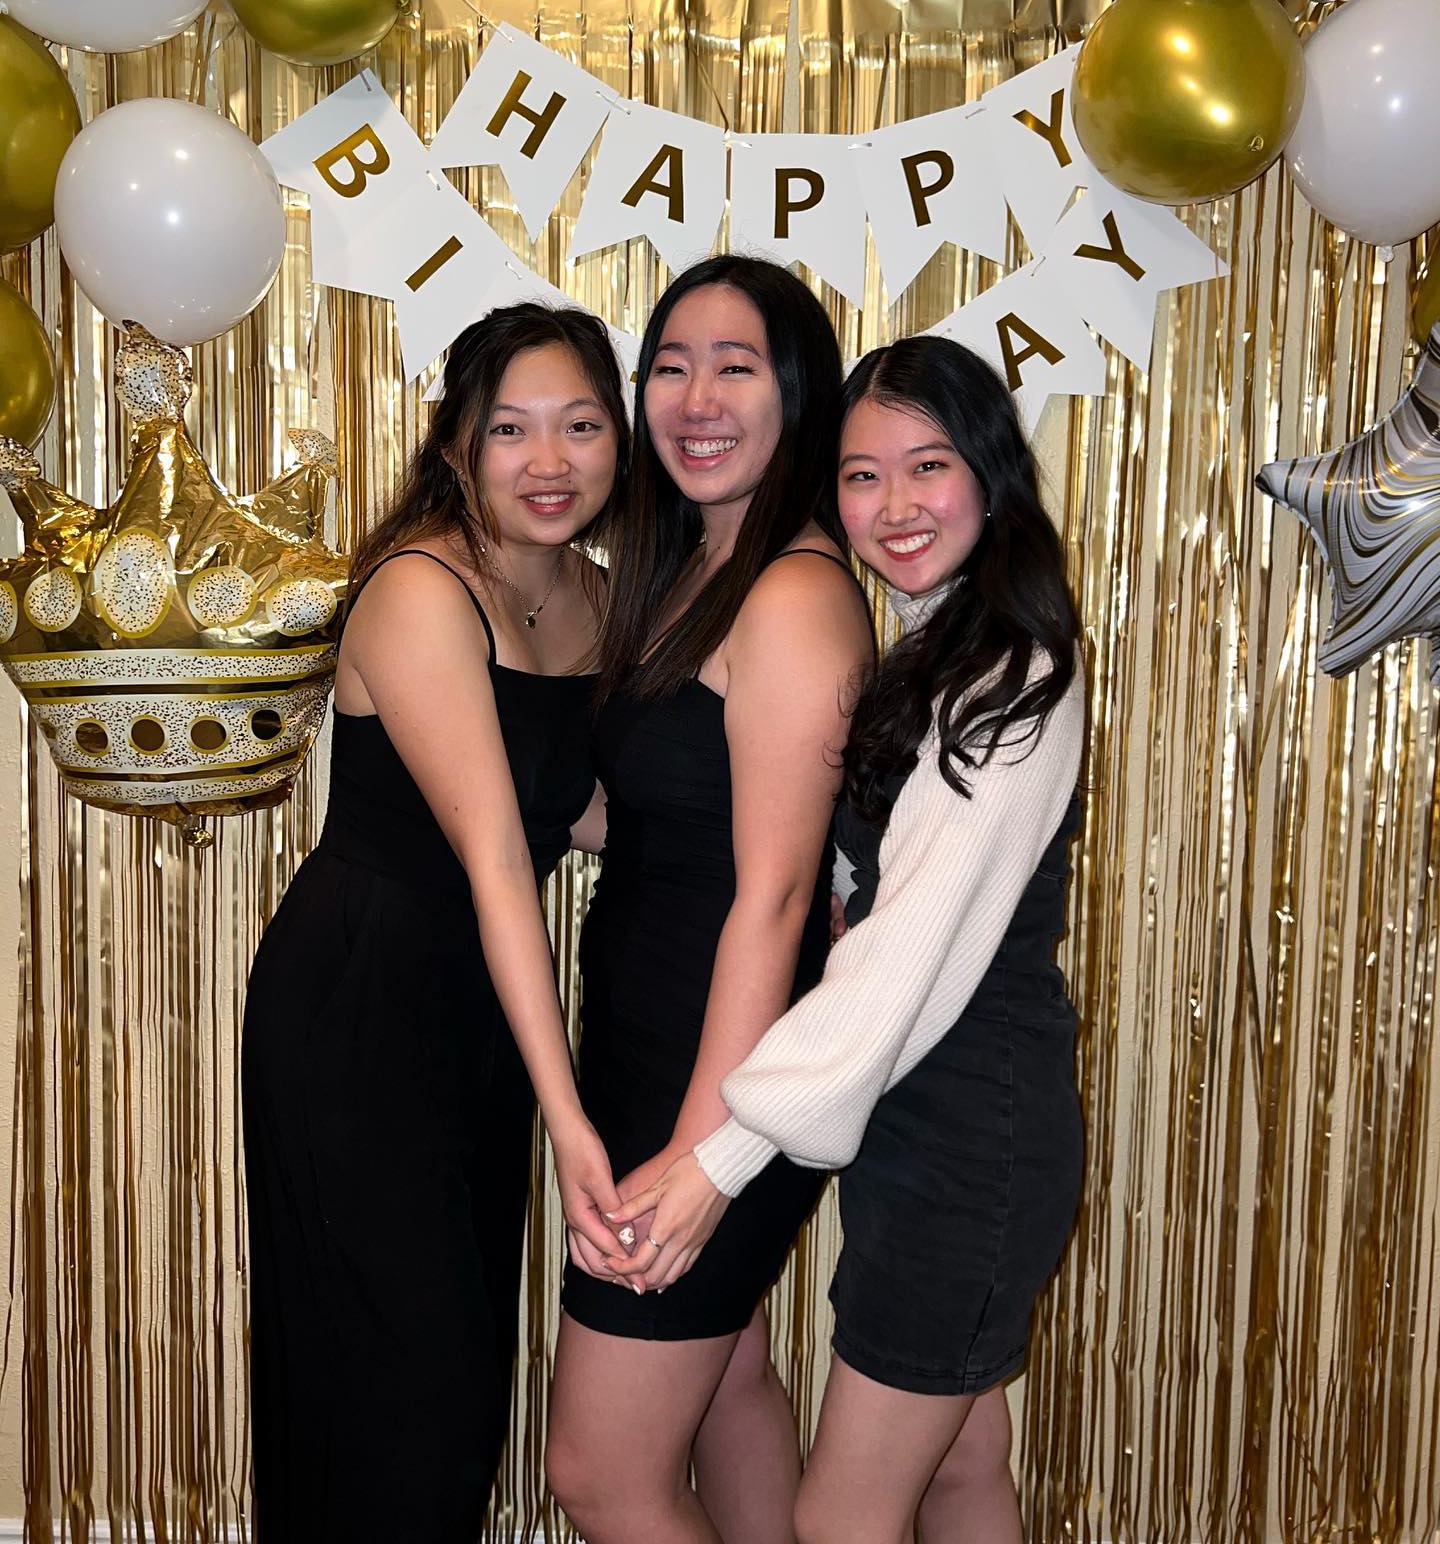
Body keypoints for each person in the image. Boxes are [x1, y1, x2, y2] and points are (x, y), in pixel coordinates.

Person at [611, 334, 1087, 1544]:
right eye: (862, 477)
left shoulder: (1012, 673)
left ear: (990, 471)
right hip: (921, 1124)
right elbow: (875, 865)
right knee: (963, 1466)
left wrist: (716, 1162)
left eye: (928, 467)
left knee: (841, 1519)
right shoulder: (941, 645)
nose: (894, 506)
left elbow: (902, 959)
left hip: (968, 1136)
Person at [241, 303, 632, 1541]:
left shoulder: (601, 595)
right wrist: (572, 1122)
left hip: (480, 1007)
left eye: (580, 425)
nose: (549, 460)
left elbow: (588, 811)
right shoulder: (419, 588)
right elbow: (500, 858)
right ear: (457, 443)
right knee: (391, 1380)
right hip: (361, 999)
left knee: (458, 1380)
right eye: (511, 429)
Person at [543, 256, 875, 1544]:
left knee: (602, 1476)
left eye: (735, 367)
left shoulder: (792, 593)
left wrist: (702, 1158)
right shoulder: (692, 570)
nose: (695, 399)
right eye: (670, 367)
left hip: (717, 1075)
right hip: (652, 1044)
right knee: (728, 1380)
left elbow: (774, 897)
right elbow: (656, 823)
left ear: (799, 395)